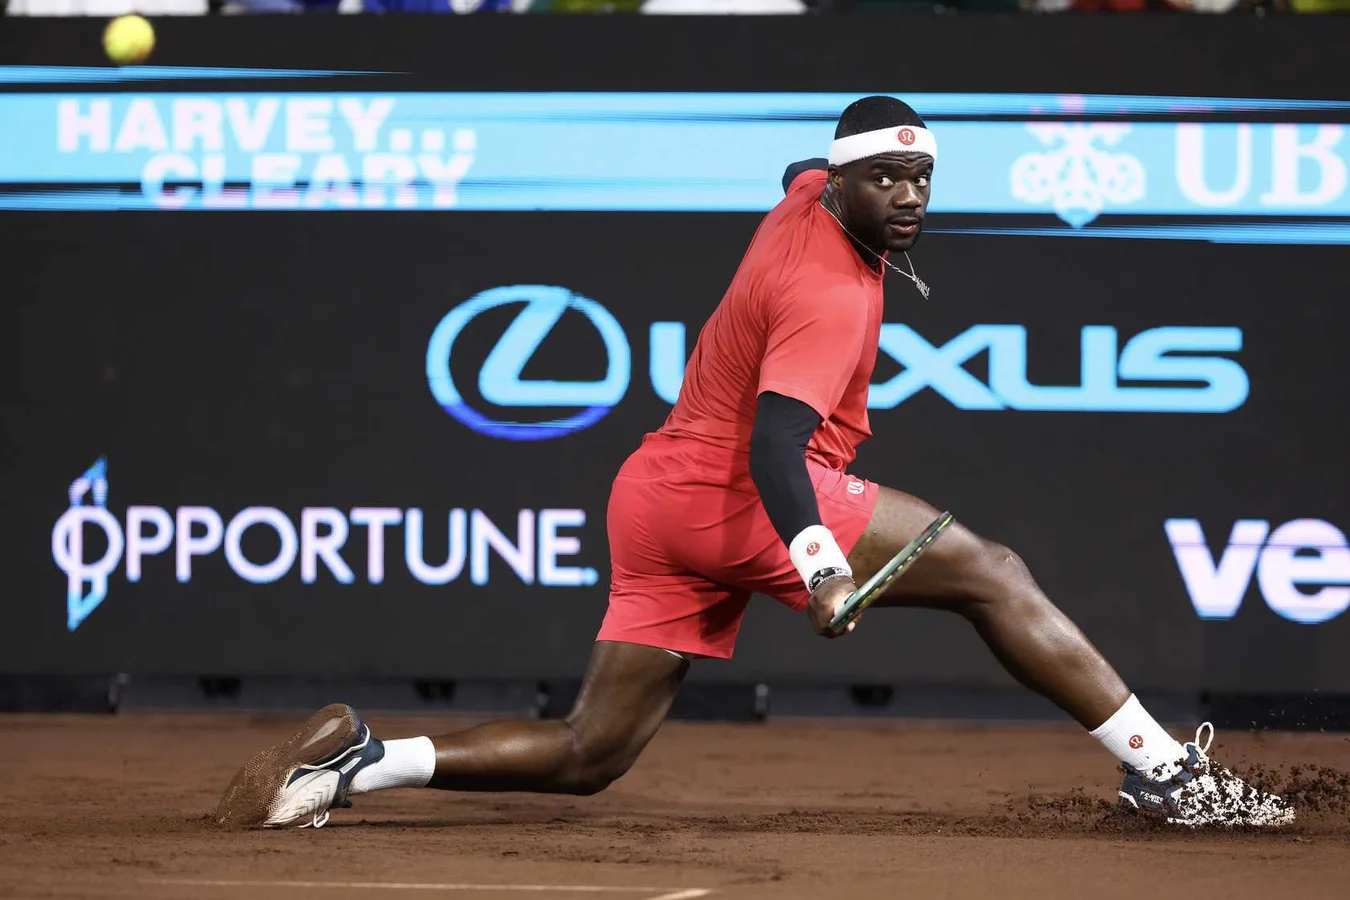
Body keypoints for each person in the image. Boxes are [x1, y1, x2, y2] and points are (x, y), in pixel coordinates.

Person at [215, 96, 1291, 831]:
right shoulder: (828, 294)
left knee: (593, 754)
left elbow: (804, 164)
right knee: (994, 573)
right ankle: (1171, 775)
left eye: (922, 179)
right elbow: (779, 442)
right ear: (848, 187)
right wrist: (822, 566)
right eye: (890, 182)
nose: (910, 197)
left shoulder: (806, 192)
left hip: (656, 498)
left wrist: (841, 168)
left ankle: (361, 759)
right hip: (745, 491)